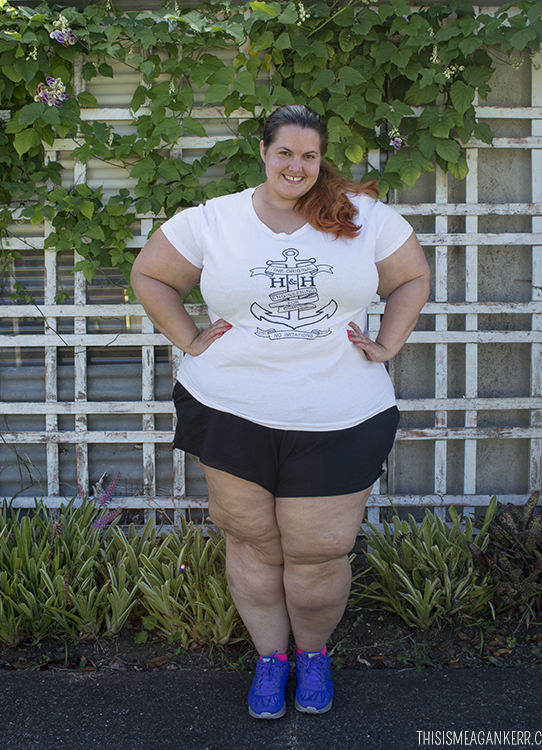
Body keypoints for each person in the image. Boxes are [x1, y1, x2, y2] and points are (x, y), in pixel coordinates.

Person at [131, 104, 430, 719]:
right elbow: (152, 275)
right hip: (231, 408)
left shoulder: (360, 216)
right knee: (251, 542)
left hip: (341, 413)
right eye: (285, 152)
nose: (297, 165)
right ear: (263, 152)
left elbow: (411, 278)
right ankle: (272, 659)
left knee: (320, 551)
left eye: (310, 155)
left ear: (321, 159)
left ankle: (313, 654)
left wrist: (388, 344)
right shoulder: (213, 221)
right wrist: (189, 339)